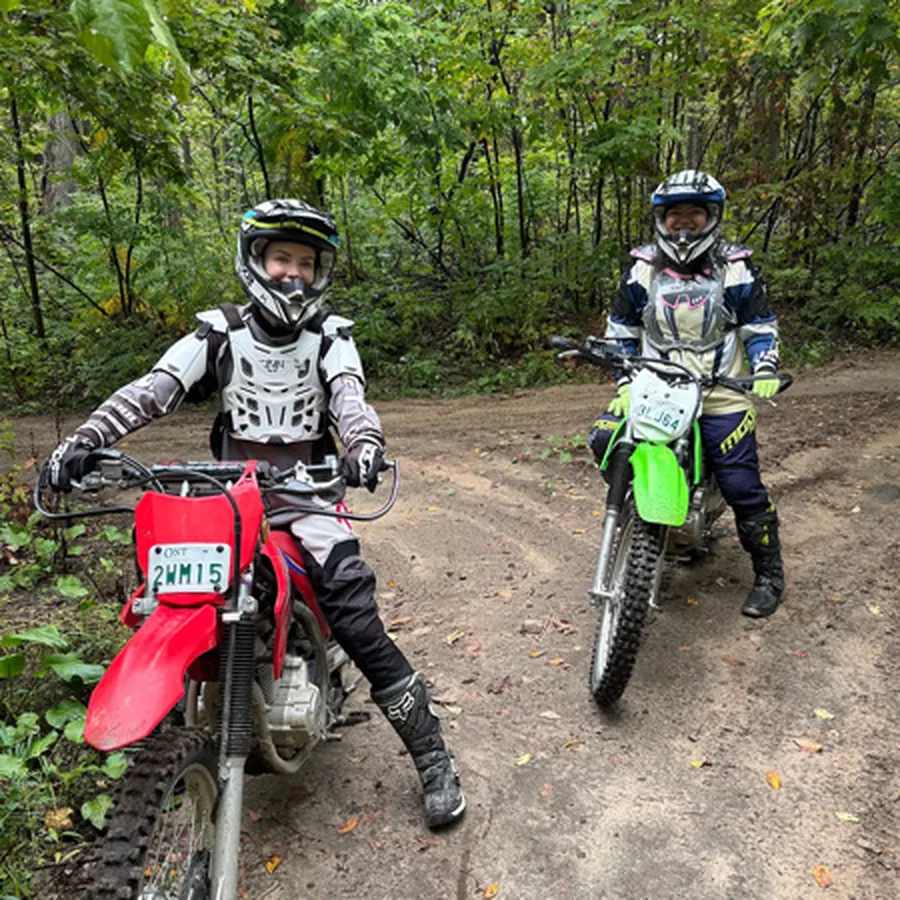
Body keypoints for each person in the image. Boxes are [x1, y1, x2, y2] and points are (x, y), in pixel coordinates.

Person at [40, 199, 465, 828]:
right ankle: (164, 755)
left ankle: (431, 754)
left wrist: (365, 449)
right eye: (280, 258)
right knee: (166, 595)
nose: (292, 274)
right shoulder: (218, 333)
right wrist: (85, 440)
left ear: (320, 272)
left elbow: (352, 401)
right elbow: (153, 391)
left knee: (353, 608)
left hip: (310, 496)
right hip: (226, 499)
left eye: (305, 263)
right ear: (256, 261)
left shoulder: (332, 338)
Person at [588, 170, 786, 618]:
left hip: (721, 392)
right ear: (661, 217)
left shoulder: (735, 267)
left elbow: (759, 327)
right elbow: (621, 331)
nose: (683, 223)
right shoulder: (642, 268)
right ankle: (654, 522)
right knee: (606, 440)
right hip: (655, 386)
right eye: (674, 213)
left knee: (740, 484)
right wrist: (623, 380)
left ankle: (770, 574)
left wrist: (765, 364)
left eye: (693, 213)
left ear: (710, 216)